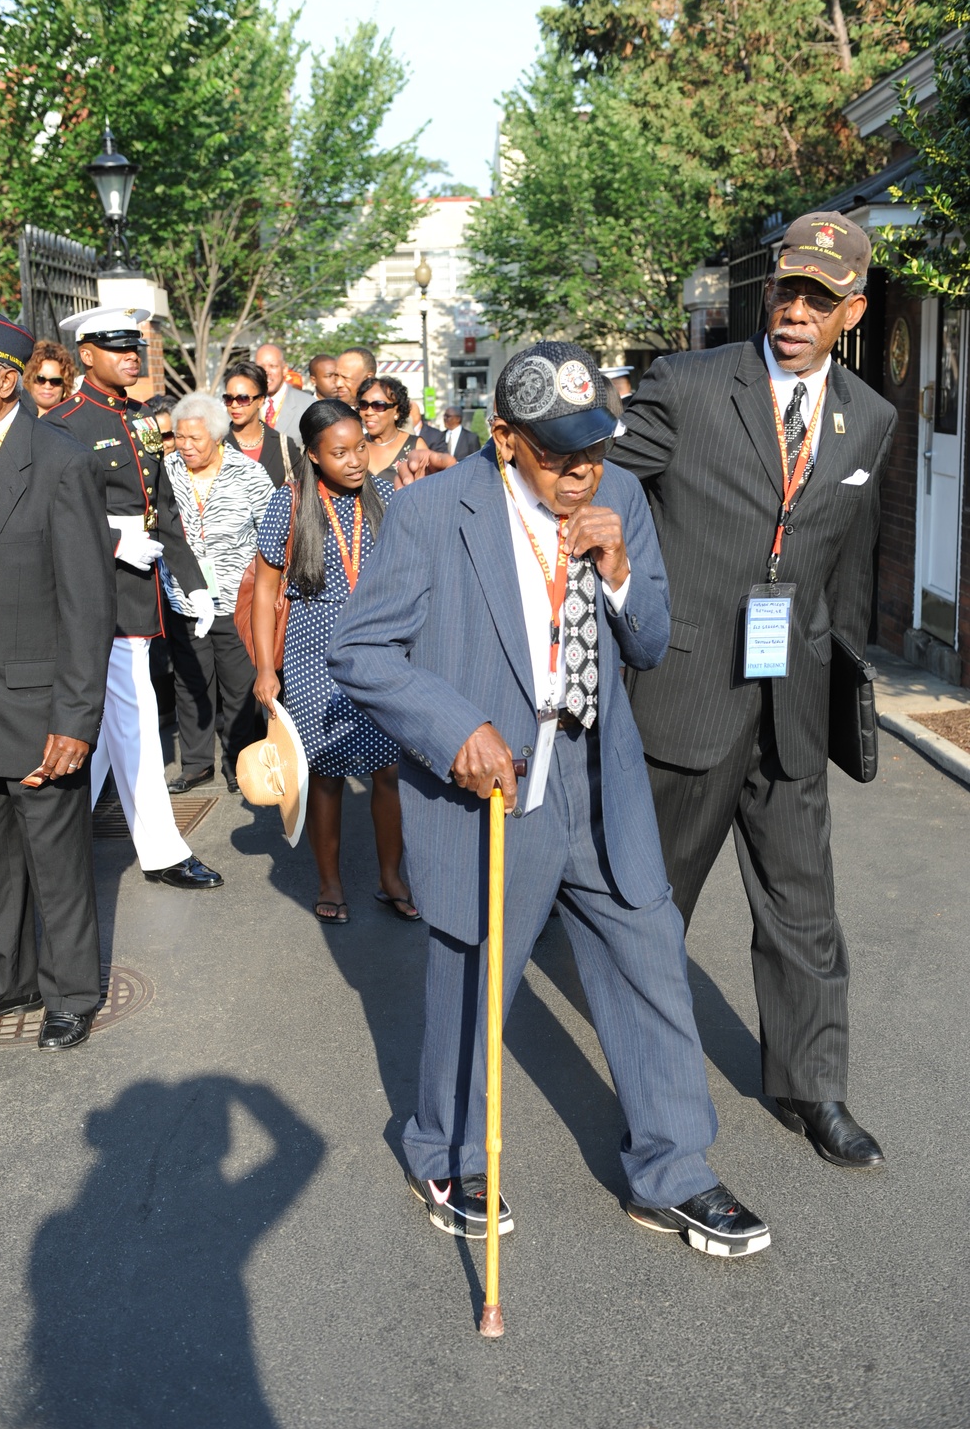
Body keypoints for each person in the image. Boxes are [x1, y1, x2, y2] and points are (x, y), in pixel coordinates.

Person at [328, 340, 769, 1255]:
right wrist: (455, 731)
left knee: (651, 959)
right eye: (562, 454)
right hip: (492, 780)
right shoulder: (430, 512)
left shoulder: (623, 501)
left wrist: (617, 572)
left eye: (597, 450)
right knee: (478, 976)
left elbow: (649, 640)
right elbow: (361, 652)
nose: (583, 472)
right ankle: (443, 1150)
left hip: (597, 773)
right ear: (505, 438)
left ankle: (674, 1170)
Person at [610, 211, 895, 1170]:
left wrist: (842, 683)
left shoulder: (872, 418)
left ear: (852, 309)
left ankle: (814, 1088)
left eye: (820, 297)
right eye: (786, 290)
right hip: (683, 693)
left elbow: (845, 570)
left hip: (791, 705)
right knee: (654, 913)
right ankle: (652, 1098)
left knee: (804, 906)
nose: (796, 310)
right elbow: (606, 493)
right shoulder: (689, 387)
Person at [0, 308, 116, 1049]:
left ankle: (70, 989)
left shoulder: (58, 461)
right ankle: (1, 975)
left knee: (56, 862)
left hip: (36, 708)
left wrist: (76, 718)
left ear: (2, 381)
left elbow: (88, 604)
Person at [45, 306, 223, 890]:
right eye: (115, 346)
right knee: (138, 720)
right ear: (86, 355)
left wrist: (193, 581)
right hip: (93, 584)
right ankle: (163, 851)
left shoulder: (143, 418)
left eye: (135, 347)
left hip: (136, 591)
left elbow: (162, 508)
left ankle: (48, 837)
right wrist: (114, 538)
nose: (131, 356)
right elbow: (47, 511)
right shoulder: (62, 423)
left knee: (111, 726)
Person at [252, 399, 418, 925]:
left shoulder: (387, 496)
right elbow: (263, 591)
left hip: (378, 652)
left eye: (361, 447)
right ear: (314, 456)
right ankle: (330, 881)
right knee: (323, 774)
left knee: (388, 770)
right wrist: (264, 668)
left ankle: (391, 877)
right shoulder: (289, 504)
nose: (354, 460)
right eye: (339, 452)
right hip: (310, 656)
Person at [162, 392, 274, 794]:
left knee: (238, 686)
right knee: (191, 683)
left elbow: (271, 536)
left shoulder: (248, 474)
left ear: (218, 436)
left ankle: (238, 761)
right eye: (179, 437)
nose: (186, 447)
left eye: (195, 438)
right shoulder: (166, 471)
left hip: (235, 599)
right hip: (183, 598)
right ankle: (195, 765)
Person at [223, 360, 302, 489]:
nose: (234, 405)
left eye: (243, 399)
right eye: (228, 398)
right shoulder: (217, 444)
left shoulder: (284, 446)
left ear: (260, 400)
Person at [355, 374, 429, 485]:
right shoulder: (356, 446)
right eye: (364, 405)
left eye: (378, 405)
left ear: (396, 411)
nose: (369, 412)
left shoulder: (416, 446)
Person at [255, 343, 312, 436]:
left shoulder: (307, 405)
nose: (266, 372)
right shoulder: (243, 403)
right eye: (261, 367)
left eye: (272, 366)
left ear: (285, 369)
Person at [23, 339, 77, 416]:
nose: (47, 386)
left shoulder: (74, 422)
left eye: (56, 381)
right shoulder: (13, 418)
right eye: (40, 379)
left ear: (65, 385)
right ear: (28, 380)